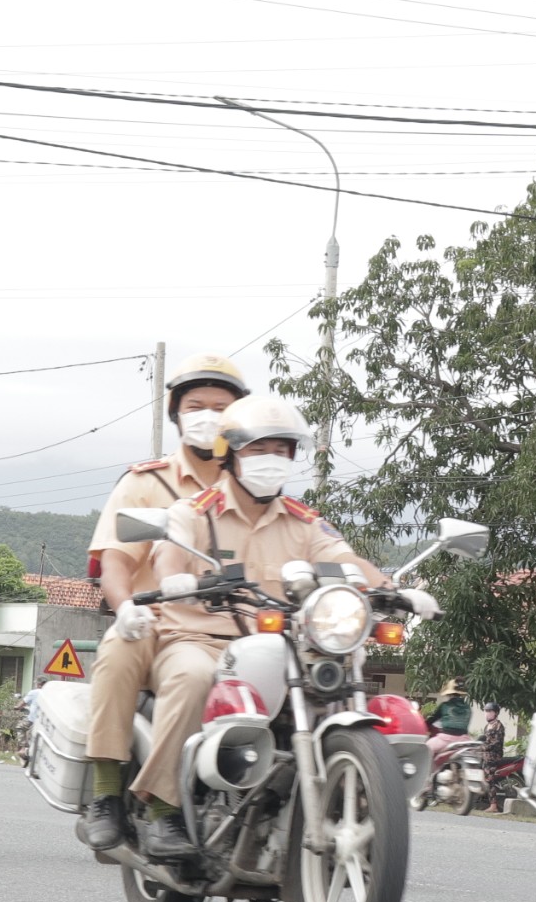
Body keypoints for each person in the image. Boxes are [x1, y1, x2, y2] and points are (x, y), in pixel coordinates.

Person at [131, 396, 437, 859]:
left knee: (335, 686)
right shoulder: (195, 512)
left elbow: (344, 559)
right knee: (193, 678)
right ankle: (164, 810)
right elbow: (171, 558)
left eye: (281, 449)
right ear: (230, 453)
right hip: (203, 637)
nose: (271, 459)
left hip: (287, 645)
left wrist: (394, 589)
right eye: (257, 449)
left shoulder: (304, 521)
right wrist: (178, 578)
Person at [77, 353, 251, 850]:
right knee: (118, 652)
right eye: (197, 405)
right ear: (176, 413)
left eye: (222, 407)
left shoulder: (254, 485)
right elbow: (116, 561)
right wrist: (126, 606)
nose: (209, 416)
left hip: (235, 630)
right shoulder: (146, 482)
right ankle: (111, 794)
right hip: (155, 622)